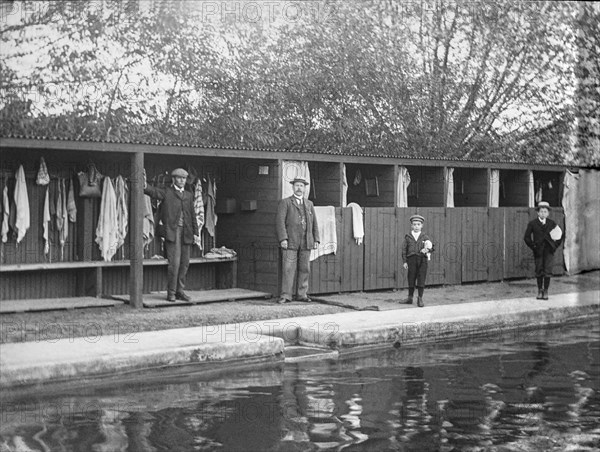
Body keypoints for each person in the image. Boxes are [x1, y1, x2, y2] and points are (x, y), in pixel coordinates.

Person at [144, 168, 198, 302]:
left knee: (184, 264)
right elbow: (154, 192)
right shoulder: (167, 192)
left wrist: (196, 233)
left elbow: (192, 215)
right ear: (173, 179)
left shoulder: (189, 195)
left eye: (184, 178)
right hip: (172, 232)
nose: (182, 181)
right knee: (174, 264)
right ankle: (171, 293)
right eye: (179, 178)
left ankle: (180, 291)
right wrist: (144, 185)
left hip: (187, 233)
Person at [275, 178, 320, 304]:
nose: (299, 188)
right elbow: (280, 222)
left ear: (305, 188)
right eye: (297, 185)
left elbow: (314, 223)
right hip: (291, 242)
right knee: (288, 268)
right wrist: (283, 238)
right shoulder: (285, 203)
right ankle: (286, 295)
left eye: (301, 186)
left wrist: (316, 239)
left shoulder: (309, 204)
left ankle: (302, 294)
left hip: (306, 241)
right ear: (293, 187)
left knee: (305, 268)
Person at [523, 201, 563, 300]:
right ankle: (540, 290)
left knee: (547, 271)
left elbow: (559, 236)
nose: (543, 213)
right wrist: (533, 246)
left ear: (548, 213)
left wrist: (554, 246)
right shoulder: (532, 224)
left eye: (545, 212)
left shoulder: (551, 223)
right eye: (541, 211)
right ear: (538, 212)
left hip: (549, 251)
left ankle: (546, 291)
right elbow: (526, 237)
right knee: (539, 270)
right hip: (538, 252)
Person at [401, 214, 434, 307]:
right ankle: (410, 298)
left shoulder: (424, 236)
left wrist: (427, 249)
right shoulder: (408, 237)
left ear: (422, 226)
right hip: (411, 260)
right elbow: (404, 250)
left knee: (421, 278)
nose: (416, 226)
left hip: (422, 260)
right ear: (411, 225)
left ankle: (420, 298)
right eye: (414, 224)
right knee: (411, 278)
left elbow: (432, 247)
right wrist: (404, 261)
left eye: (418, 224)